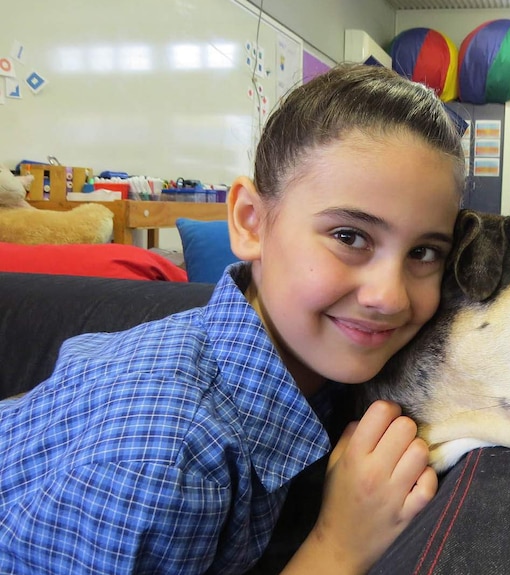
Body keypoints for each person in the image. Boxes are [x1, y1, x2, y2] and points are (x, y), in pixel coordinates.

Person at [0, 63, 465, 574]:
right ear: (249, 221)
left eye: (424, 252)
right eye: (349, 237)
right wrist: (339, 547)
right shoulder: (167, 457)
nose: (390, 296)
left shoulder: (319, 362)